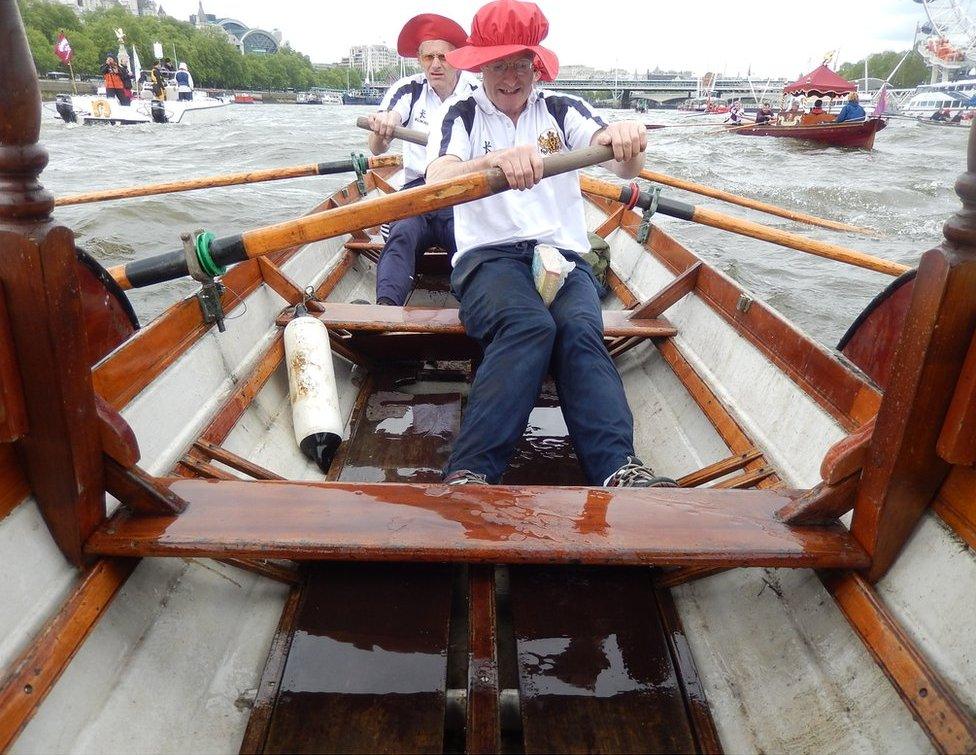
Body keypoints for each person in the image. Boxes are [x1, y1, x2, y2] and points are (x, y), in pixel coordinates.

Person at [426, 0, 676, 489]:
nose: (511, 77)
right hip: (488, 257)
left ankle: (619, 470)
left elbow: (622, 168)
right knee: (530, 325)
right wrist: (493, 162)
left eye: (520, 63)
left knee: (581, 330)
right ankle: (470, 471)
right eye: (499, 65)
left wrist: (627, 141)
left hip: (563, 257)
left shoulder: (565, 109)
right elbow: (438, 178)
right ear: (480, 66)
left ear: (535, 66)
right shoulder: (460, 113)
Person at [366, 14, 479, 307]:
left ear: (457, 58)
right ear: (419, 60)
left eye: (443, 56)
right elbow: (376, 149)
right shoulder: (409, 90)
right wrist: (383, 127)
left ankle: (472, 310)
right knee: (401, 234)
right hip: (417, 190)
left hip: (462, 191)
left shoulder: (478, 93)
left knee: (469, 243)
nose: (435, 64)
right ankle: (385, 312)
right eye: (428, 57)